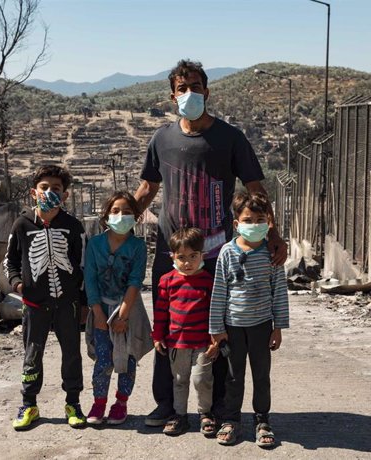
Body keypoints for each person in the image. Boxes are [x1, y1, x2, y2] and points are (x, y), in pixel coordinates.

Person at [134, 58, 288, 427]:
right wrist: (120, 224)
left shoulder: (231, 138)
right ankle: (168, 404)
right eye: (182, 89)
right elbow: (147, 189)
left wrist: (275, 234)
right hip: (172, 253)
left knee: (217, 329)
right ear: (173, 96)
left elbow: (256, 190)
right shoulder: (162, 138)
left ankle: (218, 406)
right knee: (169, 327)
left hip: (219, 254)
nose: (190, 94)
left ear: (207, 91)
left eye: (196, 87)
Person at [5, 165, 87, 431]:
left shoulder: (73, 226)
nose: (50, 192)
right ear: (33, 192)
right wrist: (18, 284)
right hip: (34, 305)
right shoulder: (22, 224)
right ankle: (29, 404)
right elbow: (11, 261)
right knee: (32, 355)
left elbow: (82, 264)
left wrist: (83, 301)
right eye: (44, 187)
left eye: (56, 189)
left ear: (65, 196)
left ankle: (73, 403)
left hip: (67, 304)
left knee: (72, 355)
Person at [209, 191, 290, 448]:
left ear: (268, 222)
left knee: (261, 375)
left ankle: (262, 420)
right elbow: (219, 291)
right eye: (248, 219)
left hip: (262, 326)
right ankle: (231, 420)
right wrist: (216, 328)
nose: (254, 225)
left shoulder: (272, 254)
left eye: (259, 219)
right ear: (236, 224)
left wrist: (278, 328)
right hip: (233, 327)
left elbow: (279, 292)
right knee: (233, 377)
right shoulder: (227, 252)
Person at [83, 191, 152, 426]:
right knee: (103, 360)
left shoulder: (138, 247)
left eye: (127, 212)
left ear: (136, 217)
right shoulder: (94, 244)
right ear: (106, 216)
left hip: (128, 309)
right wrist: (98, 313)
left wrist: (122, 316)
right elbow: (89, 279)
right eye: (115, 211)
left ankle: (121, 403)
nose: (121, 216)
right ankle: (98, 403)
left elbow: (135, 281)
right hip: (100, 308)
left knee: (127, 359)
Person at [152, 228, 218, 437]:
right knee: (179, 381)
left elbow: (215, 312)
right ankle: (180, 416)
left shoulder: (208, 281)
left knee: (201, 380)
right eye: (181, 257)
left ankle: (205, 414)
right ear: (172, 256)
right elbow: (161, 312)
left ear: (202, 255)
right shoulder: (167, 281)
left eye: (193, 256)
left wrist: (215, 340)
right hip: (177, 344)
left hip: (202, 344)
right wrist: (157, 336)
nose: (187, 262)